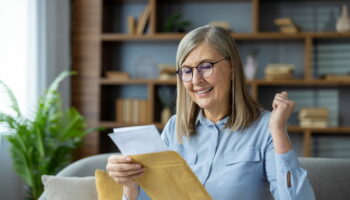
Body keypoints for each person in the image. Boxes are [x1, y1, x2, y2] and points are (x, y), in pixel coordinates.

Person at [106, 25, 315, 200]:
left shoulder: (266, 128)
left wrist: (278, 131)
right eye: (187, 71)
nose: (196, 80)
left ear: (232, 68)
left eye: (206, 66)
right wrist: (130, 184)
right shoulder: (174, 128)